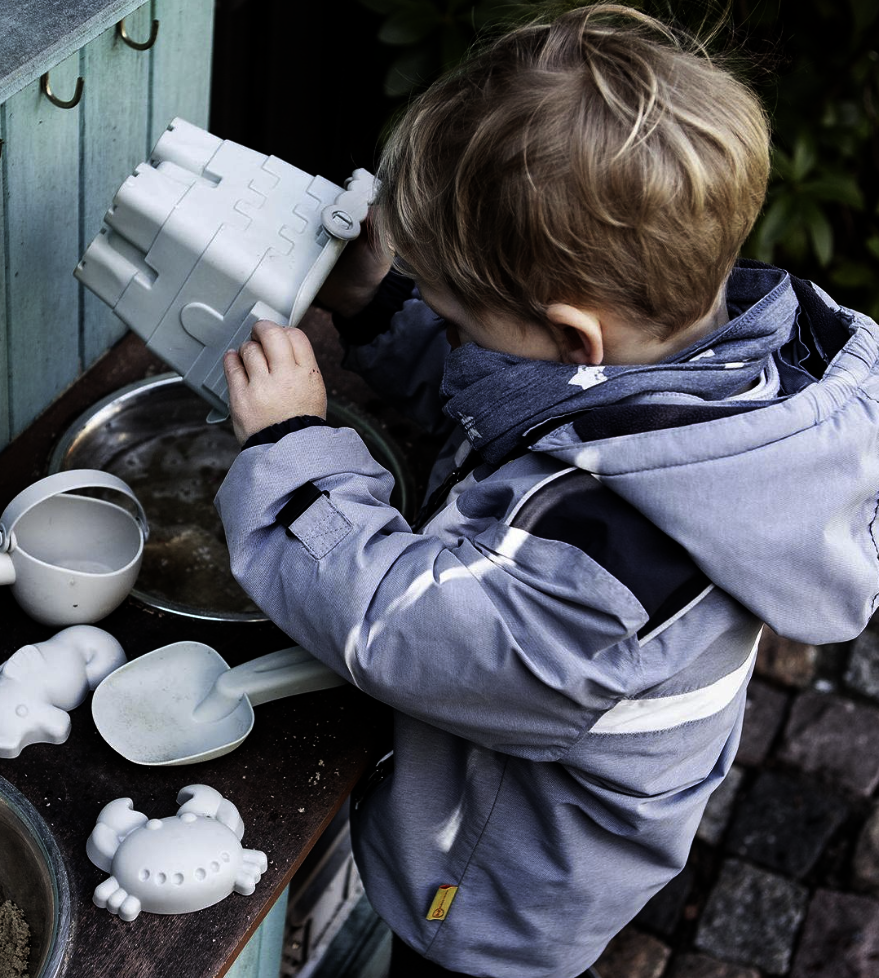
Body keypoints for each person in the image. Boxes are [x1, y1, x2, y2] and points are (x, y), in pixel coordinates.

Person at [215, 5, 879, 978]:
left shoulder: (609, 567)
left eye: (453, 316)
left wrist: (289, 448)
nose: (450, 333)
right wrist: (382, 304)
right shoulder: (700, 367)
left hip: (497, 893)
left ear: (574, 342)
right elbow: (504, 407)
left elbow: (402, 632)